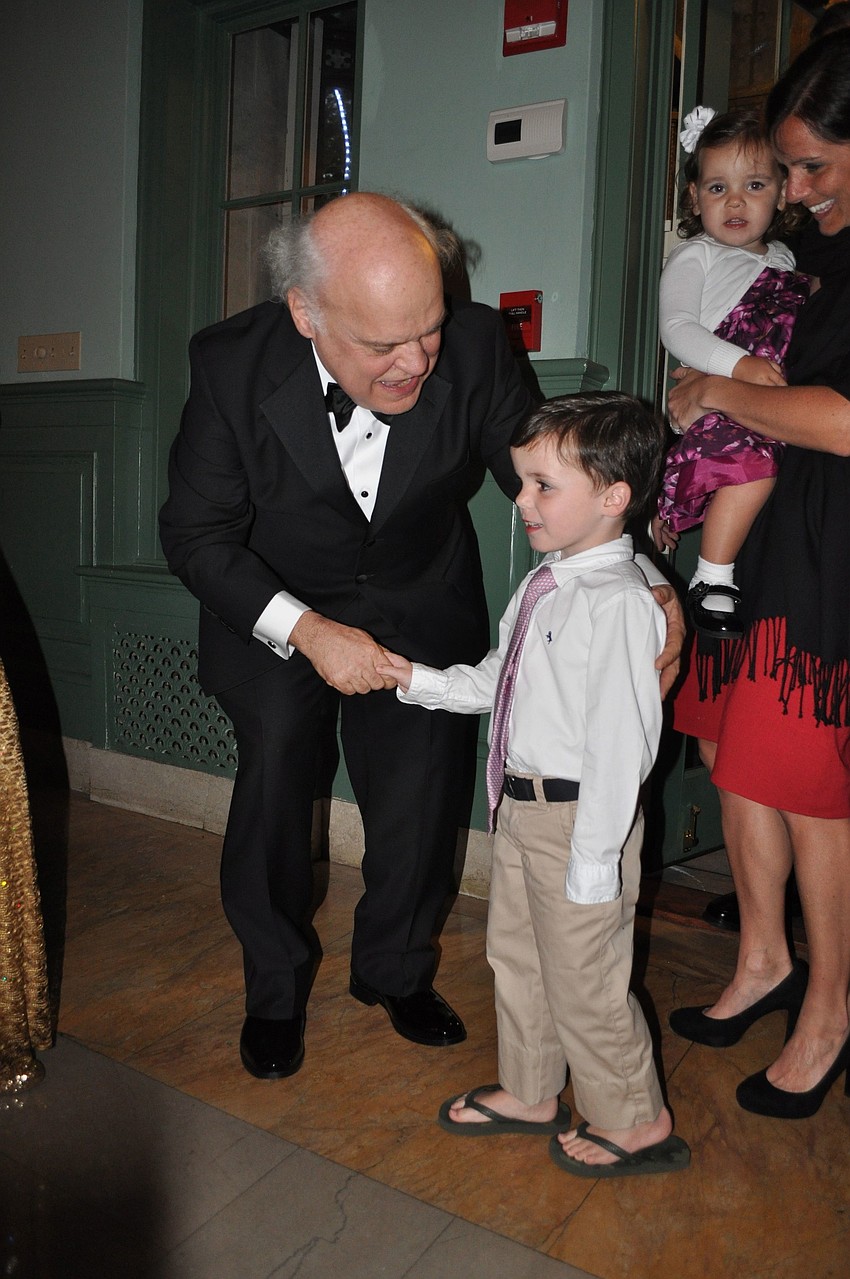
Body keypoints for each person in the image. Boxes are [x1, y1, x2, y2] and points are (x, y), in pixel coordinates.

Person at [160, 193, 684, 1081]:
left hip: (420, 595)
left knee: (418, 800)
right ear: (305, 313)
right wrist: (312, 631)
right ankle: (275, 991)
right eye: (382, 345)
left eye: (428, 331)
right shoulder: (230, 366)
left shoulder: (476, 345)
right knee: (275, 788)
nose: (414, 363)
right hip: (276, 605)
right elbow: (195, 535)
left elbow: (563, 475)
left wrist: (649, 581)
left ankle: (394, 972)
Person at [377, 392, 691, 1178]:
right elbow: (496, 679)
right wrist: (411, 677)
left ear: (614, 497)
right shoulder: (547, 584)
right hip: (519, 809)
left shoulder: (619, 604)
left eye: (543, 485)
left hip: (583, 817)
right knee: (516, 956)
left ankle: (636, 1116)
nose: (521, 500)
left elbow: (625, 743)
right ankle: (530, 1087)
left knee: (587, 977)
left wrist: (594, 860)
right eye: (521, 482)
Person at [666, 31, 850, 1120]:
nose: (790, 189)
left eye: (813, 167)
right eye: (783, 168)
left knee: (810, 792)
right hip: (756, 542)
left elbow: (840, 418)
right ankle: (765, 961)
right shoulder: (802, 249)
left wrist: (717, 392)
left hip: (826, 558)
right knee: (729, 760)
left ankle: (827, 1007)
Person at [654, 107, 809, 639]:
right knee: (756, 467)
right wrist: (737, 365)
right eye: (718, 187)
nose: (736, 201)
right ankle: (711, 578)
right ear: (694, 198)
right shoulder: (696, 255)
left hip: (773, 398)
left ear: (783, 192)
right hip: (726, 396)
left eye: (755, 184)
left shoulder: (788, 261)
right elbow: (676, 327)